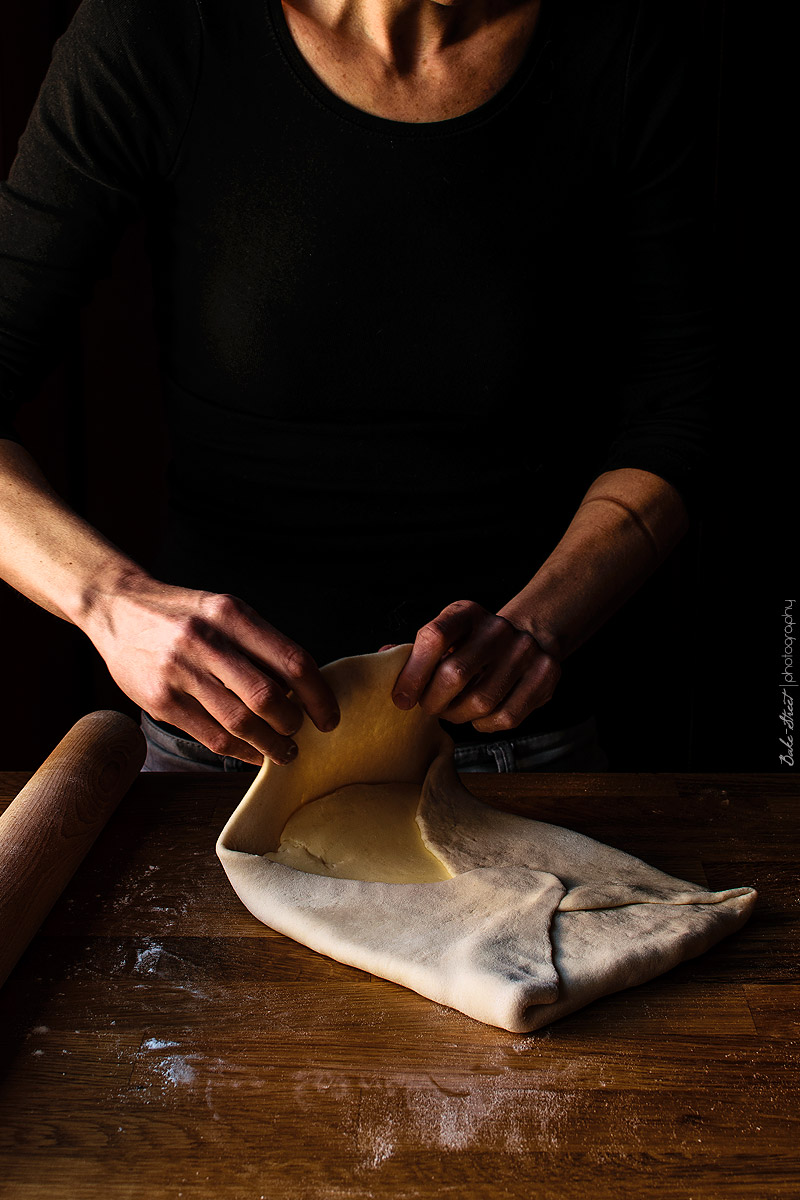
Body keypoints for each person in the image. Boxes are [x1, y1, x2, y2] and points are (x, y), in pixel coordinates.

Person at [0, 0, 716, 773]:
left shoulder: (631, 44)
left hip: (528, 751)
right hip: (223, 756)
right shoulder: (159, 29)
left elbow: (683, 407)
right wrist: (108, 601)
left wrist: (541, 626)